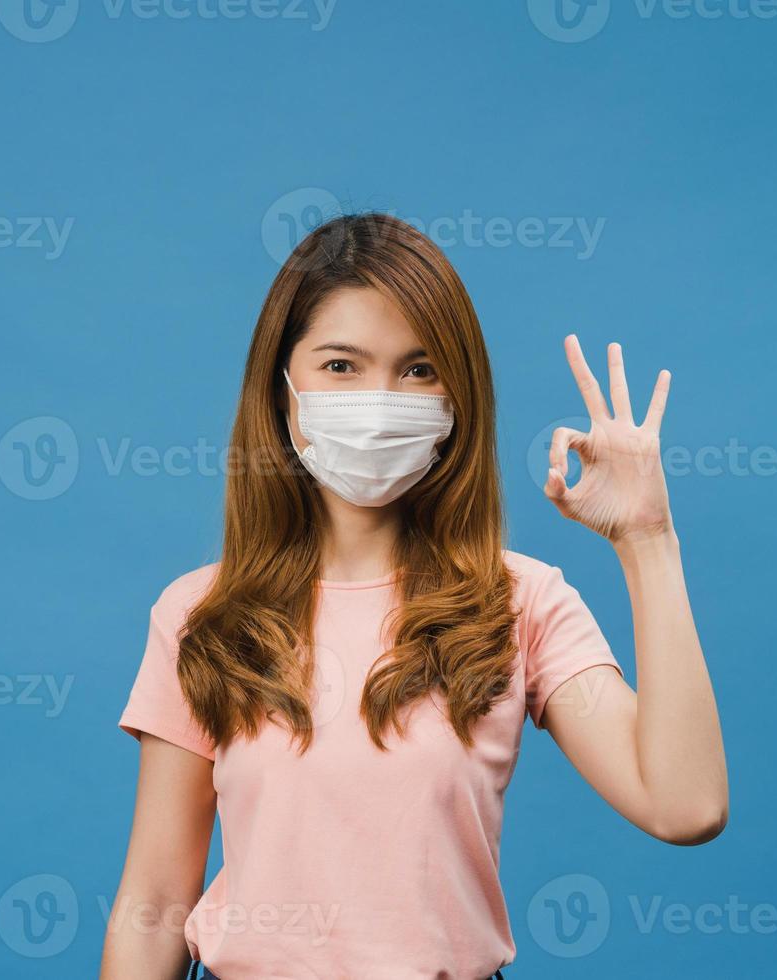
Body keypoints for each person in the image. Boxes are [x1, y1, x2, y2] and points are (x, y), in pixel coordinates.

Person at [99, 213, 728, 980]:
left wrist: (648, 543)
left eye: (418, 369)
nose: (379, 397)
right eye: (341, 366)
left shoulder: (520, 602)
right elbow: (157, 899)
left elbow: (686, 805)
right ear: (282, 385)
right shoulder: (201, 616)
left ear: (456, 396)